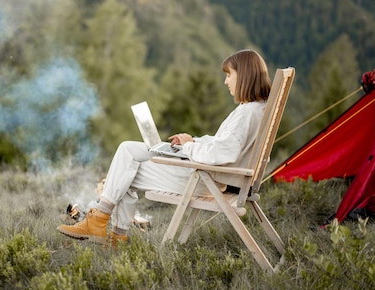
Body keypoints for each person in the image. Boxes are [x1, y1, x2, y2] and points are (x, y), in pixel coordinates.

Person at [57, 49, 272, 247]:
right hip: (212, 177)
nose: (226, 81)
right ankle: (113, 232)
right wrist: (193, 141)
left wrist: (188, 148)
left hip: (207, 181)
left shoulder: (247, 114)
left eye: (229, 75)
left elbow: (222, 153)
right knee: (127, 153)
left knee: (125, 165)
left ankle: (104, 225)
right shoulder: (254, 109)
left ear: (244, 76)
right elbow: (222, 144)